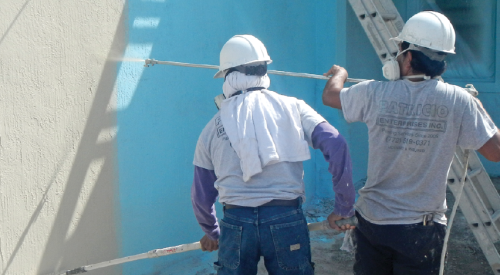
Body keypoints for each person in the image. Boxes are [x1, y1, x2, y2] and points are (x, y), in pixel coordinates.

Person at [321, 11, 500, 275]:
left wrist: (340, 73)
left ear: (409, 58)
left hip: (373, 223)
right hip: (422, 230)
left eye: (400, 50)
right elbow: (495, 152)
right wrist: (476, 106)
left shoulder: (374, 92)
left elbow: (331, 95)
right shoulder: (459, 101)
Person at [191, 34, 356, 275]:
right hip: (285, 217)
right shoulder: (294, 107)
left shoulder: (212, 128)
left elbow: (201, 195)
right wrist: (343, 206)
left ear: (227, 75)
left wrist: (213, 232)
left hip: (236, 222)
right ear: (263, 69)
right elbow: (336, 143)